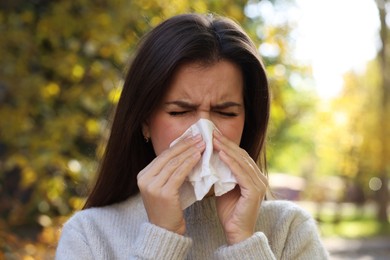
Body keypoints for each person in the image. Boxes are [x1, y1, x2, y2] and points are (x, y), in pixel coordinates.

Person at [56, 13, 328, 259]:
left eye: (226, 112)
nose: (204, 132)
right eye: (180, 111)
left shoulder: (289, 229)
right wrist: (161, 239)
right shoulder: (89, 236)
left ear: (248, 121)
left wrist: (245, 243)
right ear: (144, 122)